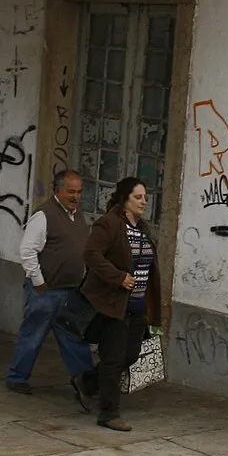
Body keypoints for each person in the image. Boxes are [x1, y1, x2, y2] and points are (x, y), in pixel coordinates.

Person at [76, 176, 163, 431]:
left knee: (130, 354)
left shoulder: (142, 228)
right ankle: (108, 413)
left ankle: (87, 381)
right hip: (115, 304)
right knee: (113, 358)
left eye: (145, 197)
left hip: (138, 305)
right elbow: (91, 253)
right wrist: (117, 277)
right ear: (124, 199)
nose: (143, 202)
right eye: (138, 197)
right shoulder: (110, 224)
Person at [5, 169, 96, 406]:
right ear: (58, 191)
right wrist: (39, 282)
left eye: (79, 192)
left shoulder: (78, 215)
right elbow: (27, 251)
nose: (75, 197)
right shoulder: (44, 215)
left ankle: (87, 381)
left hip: (71, 289)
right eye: (70, 192)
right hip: (47, 290)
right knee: (33, 335)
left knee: (73, 337)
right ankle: (17, 378)